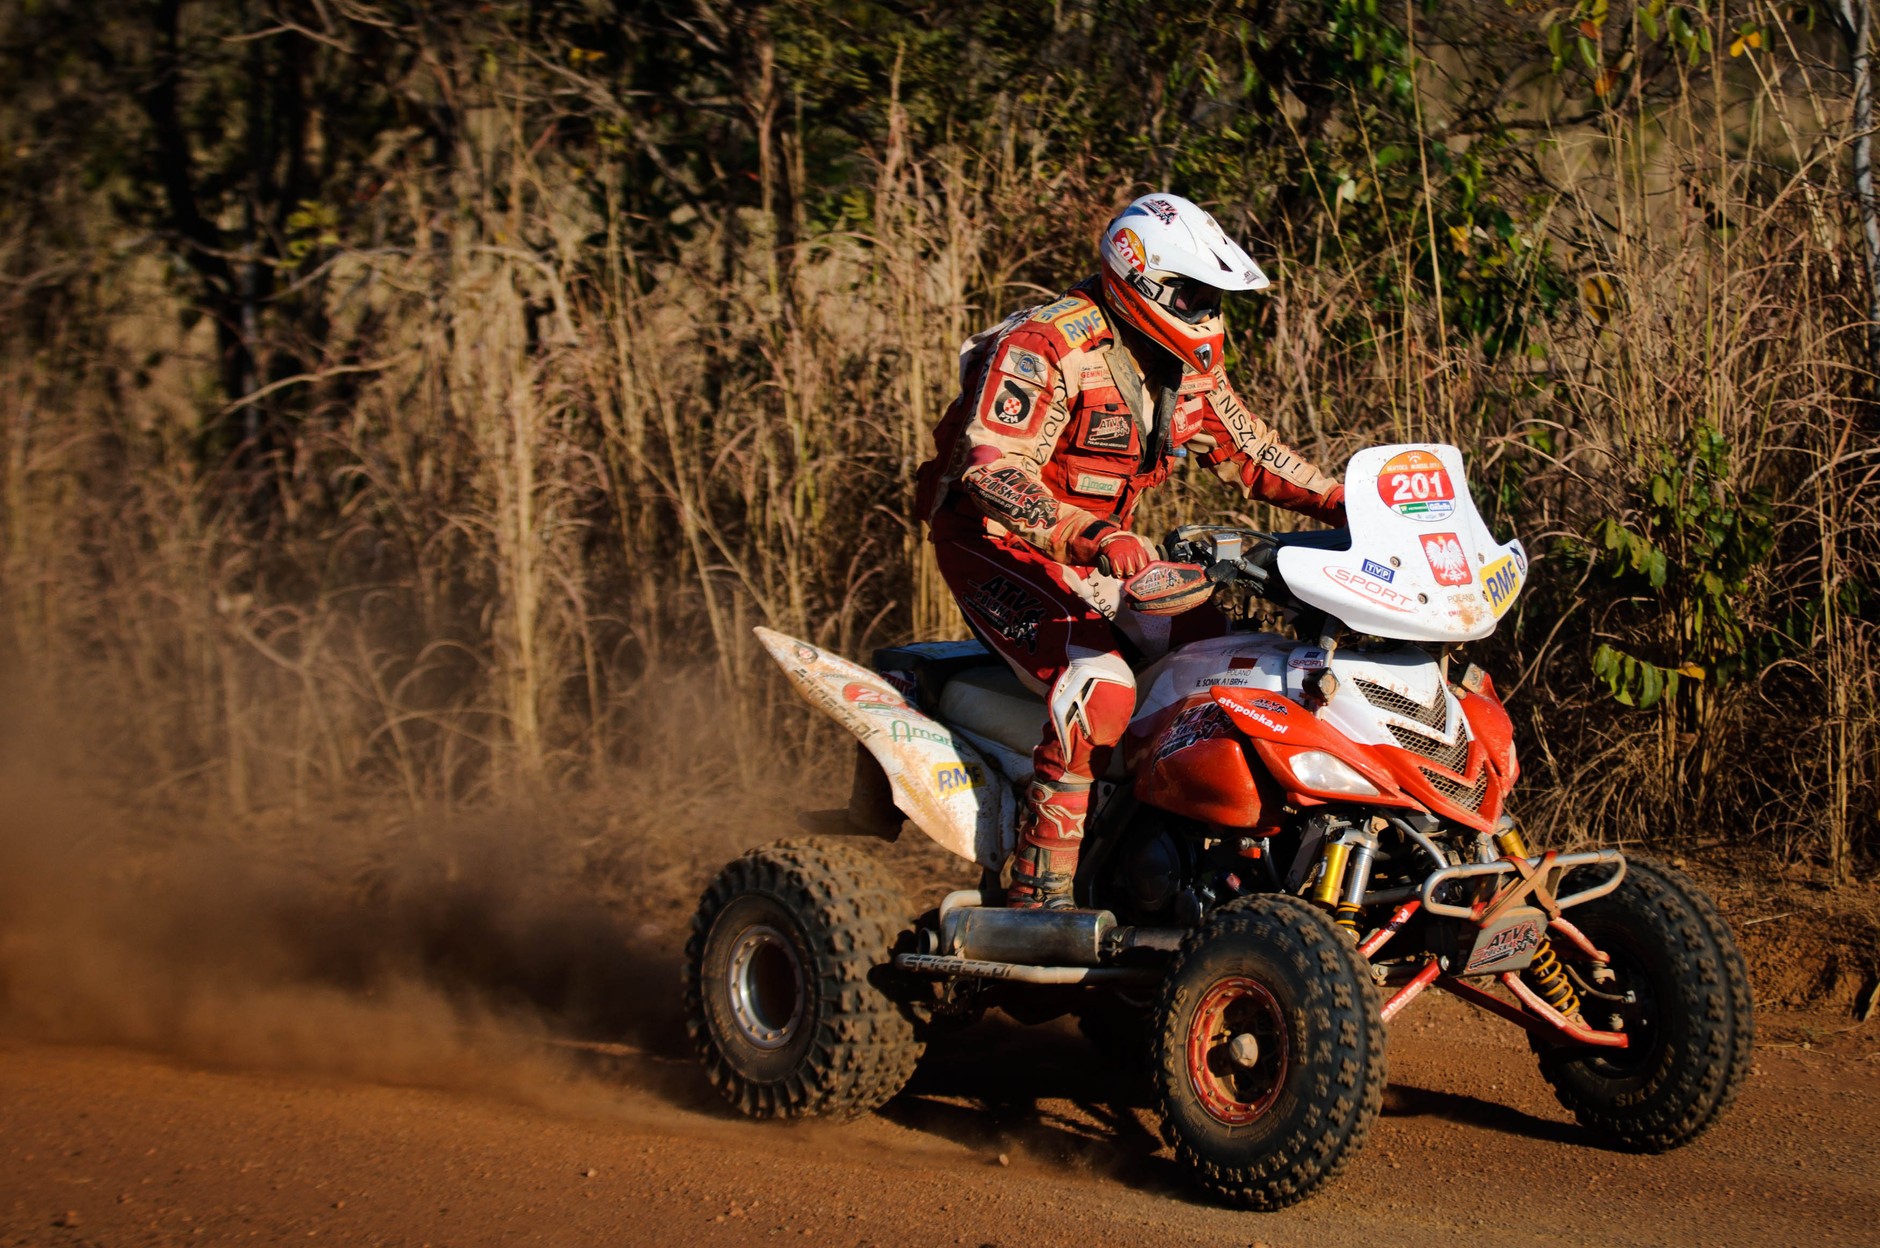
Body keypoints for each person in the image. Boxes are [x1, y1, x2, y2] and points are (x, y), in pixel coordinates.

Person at [913, 193, 1345, 909]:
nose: (1206, 311)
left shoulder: (1185, 360)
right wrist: (1092, 534)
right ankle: (1037, 891)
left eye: (1212, 296)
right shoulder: (1048, 345)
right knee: (1101, 686)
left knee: (1225, 660)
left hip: (1100, 556)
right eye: (1193, 293)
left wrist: (1344, 500)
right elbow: (991, 471)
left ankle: (1171, 864)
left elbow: (1249, 446)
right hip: (997, 544)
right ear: (1139, 279)